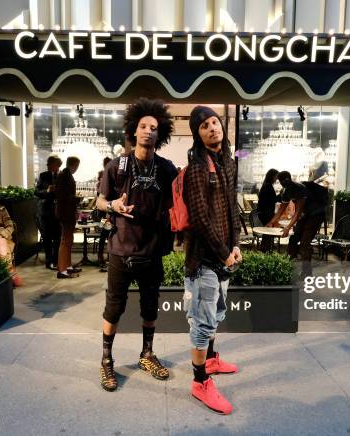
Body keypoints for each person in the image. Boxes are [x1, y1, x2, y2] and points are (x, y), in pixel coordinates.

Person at [96, 98, 178, 391]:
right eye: (143, 126)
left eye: (153, 127)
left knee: (150, 307)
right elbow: (100, 200)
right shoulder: (118, 166)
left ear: (161, 133)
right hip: (121, 249)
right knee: (113, 308)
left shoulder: (167, 169)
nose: (147, 131)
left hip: (152, 250)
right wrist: (113, 206)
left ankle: (147, 354)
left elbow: (179, 202)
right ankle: (106, 360)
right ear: (133, 130)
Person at [183, 106, 241, 415]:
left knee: (216, 313)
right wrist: (223, 251)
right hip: (204, 258)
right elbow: (200, 219)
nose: (212, 128)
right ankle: (199, 381)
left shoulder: (228, 163)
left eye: (214, 122)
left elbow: (232, 207)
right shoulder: (196, 167)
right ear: (198, 134)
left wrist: (236, 244)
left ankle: (211, 359)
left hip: (224, 255)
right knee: (203, 322)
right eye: (204, 126)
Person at [267, 171, 327, 262]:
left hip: (316, 214)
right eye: (280, 181)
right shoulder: (286, 191)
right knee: (294, 239)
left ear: (288, 179)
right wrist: (271, 222)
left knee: (304, 243)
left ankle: (306, 271)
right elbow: (280, 211)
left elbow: (298, 212)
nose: (282, 184)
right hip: (306, 214)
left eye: (282, 181)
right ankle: (290, 261)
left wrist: (288, 227)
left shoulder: (299, 188)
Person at [34, 155, 63, 270]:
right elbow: (36, 192)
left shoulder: (62, 176)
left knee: (57, 237)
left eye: (49, 164)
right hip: (45, 211)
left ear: (57, 165)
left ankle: (56, 261)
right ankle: (48, 261)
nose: (47, 166)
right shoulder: (43, 175)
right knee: (46, 237)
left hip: (58, 211)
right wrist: (47, 191)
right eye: (47, 164)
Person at [55, 156, 81, 279]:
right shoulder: (64, 176)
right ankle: (62, 269)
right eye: (77, 165)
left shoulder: (65, 175)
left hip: (67, 212)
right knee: (65, 240)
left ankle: (68, 266)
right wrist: (76, 199)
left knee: (68, 240)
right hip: (65, 212)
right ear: (74, 165)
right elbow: (63, 197)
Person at [96, 157, 112, 272]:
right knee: (106, 235)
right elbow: (99, 192)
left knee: (105, 235)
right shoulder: (104, 175)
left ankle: (104, 256)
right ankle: (103, 256)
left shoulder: (106, 174)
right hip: (106, 213)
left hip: (107, 212)